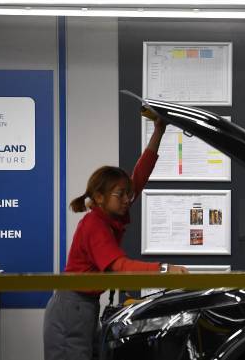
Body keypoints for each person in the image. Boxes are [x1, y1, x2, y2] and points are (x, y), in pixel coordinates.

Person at [43, 116, 189, 360]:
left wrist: (158, 131)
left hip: (85, 305)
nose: (127, 199)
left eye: (128, 194)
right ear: (99, 197)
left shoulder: (111, 214)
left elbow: (141, 173)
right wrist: (165, 270)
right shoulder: (94, 225)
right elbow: (120, 266)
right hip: (71, 309)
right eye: (121, 194)